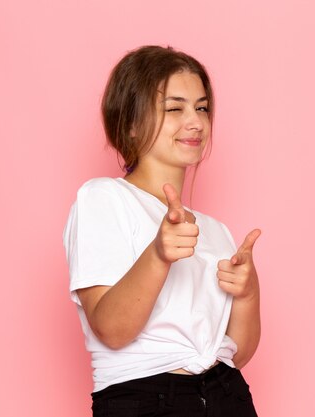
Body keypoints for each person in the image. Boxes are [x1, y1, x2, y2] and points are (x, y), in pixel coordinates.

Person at [63, 45, 261, 417]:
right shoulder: (104, 198)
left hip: (227, 395)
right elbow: (112, 329)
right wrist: (158, 256)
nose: (196, 121)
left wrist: (249, 295)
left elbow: (237, 353)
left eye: (201, 107)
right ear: (132, 123)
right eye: (175, 108)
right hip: (147, 397)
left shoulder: (215, 230)